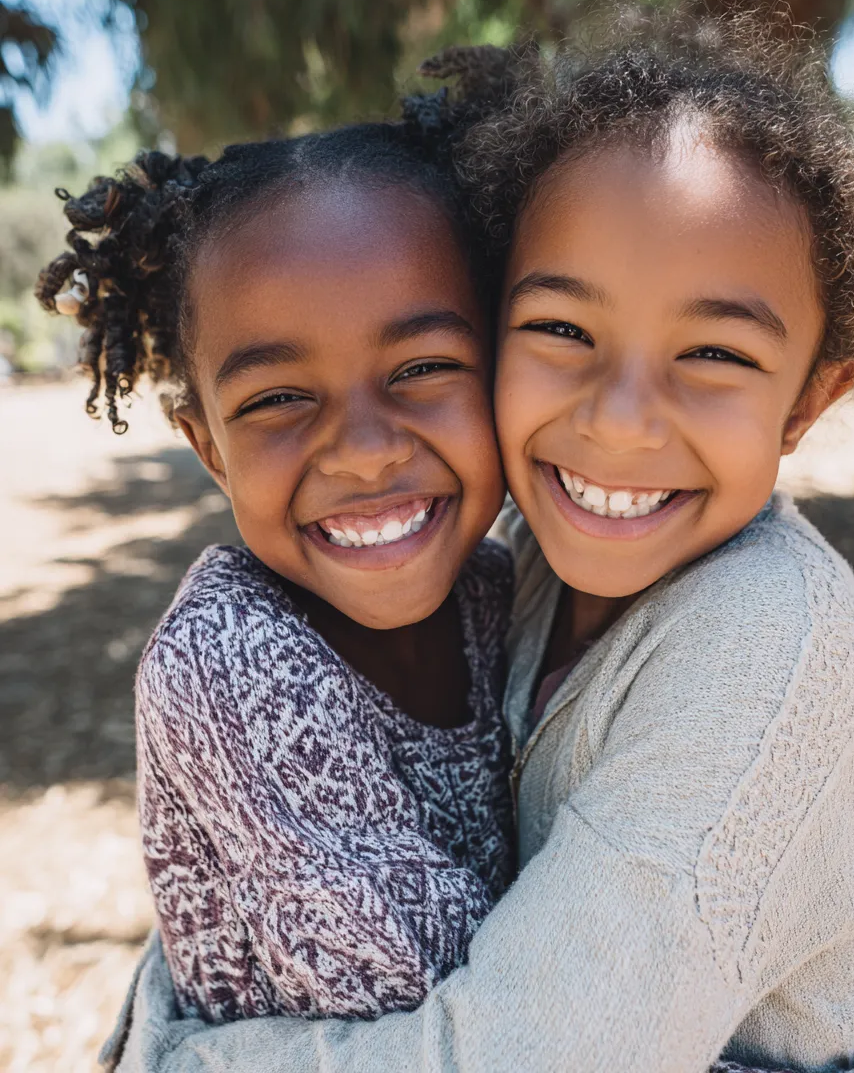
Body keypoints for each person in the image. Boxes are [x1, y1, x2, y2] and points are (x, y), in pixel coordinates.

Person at [70, 5, 854, 1073]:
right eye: (561, 329)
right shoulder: (514, 566)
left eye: (712, 351)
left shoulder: (764, 644)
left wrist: (176, 1057)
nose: (617, 420)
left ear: (808, 400)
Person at [37, 118, 519, 1023]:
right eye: (279, 399)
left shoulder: (500, 596)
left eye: (422, 367)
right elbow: (499, 1034)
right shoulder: (229, 662)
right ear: (207, 447)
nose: (365, 454)